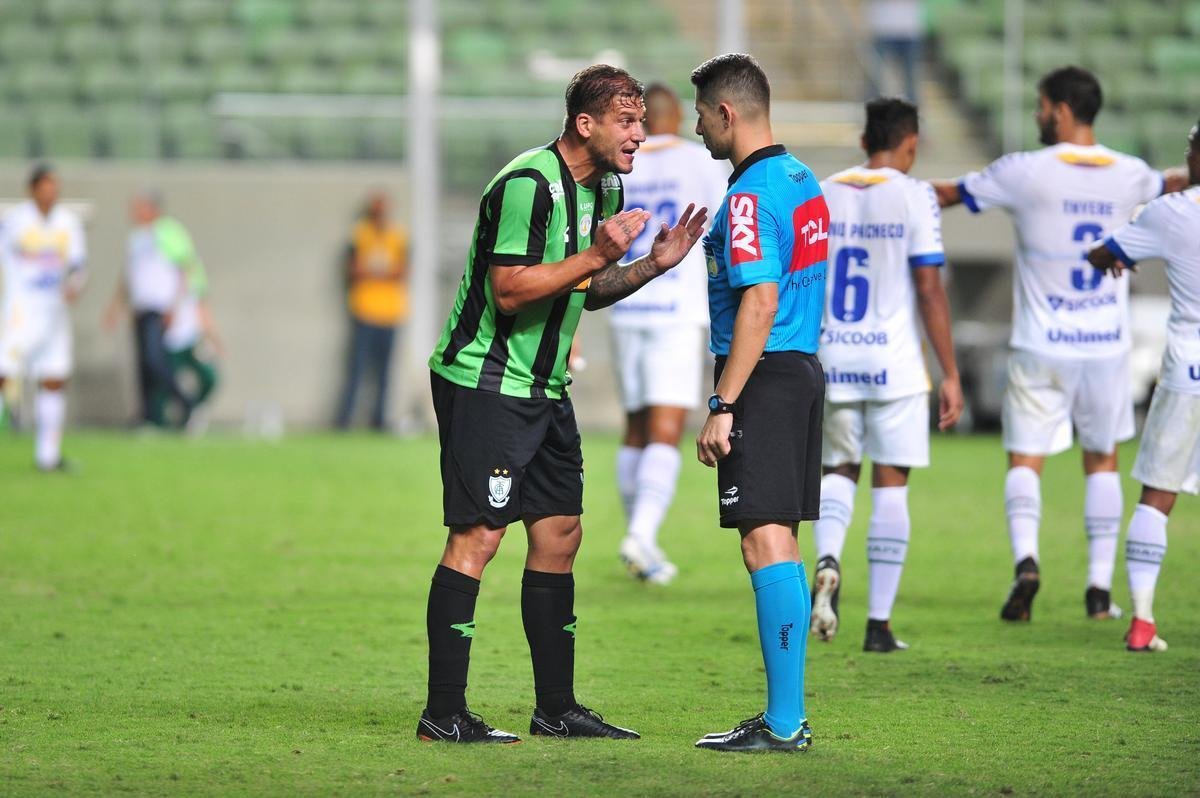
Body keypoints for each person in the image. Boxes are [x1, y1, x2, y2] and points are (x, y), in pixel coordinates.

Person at [420, 64, 708, 744]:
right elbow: (512, 291)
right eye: (628, 122)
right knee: (479, 538)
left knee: (559, 536)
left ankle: (557, 710)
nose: (642, 134)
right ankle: (443, 712)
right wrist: (595, 255)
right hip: (487, 382)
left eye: (642, 120)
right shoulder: (528, 185)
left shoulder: (605, 187)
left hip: (547, 389)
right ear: (586, 124)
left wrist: (648, 266)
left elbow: (587, 287)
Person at [931, 66, 1189, 624]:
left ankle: (1027, 562)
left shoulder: (1024, 170)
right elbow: (1175, 180)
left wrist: (881, 194)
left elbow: (948, 194)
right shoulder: (1130, 172)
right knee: (1102, 461)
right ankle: (1099, 589)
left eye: (1041, 106)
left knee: (1026, 458)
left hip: (1040, 343)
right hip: (1104, 346)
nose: (1036, 114)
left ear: (1063, 110)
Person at [691, 53, 829, 753]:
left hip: (765, 376)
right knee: (781, 543)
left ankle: (783, 724)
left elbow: (761, 298)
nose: (696, 129)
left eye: (701, 115)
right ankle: (785, 715)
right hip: (802, 368)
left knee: (763, 541)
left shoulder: (747, 195)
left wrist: (723, 402)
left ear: (728, 114)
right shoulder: (803, 179)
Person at [811, 97, 963, 652]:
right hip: (894, 363)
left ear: (863, 140)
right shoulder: (915, 194)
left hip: (833, 358)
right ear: (912, 144)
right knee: (891, 483)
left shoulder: (823, 191)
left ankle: (828, 559)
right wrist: (950, 372)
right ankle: (879, 624)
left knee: (838, 471)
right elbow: (928, 288)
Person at [1085, 118, 1200, 653]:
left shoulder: (1171, 212)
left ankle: (1143, 621)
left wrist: (1114, 258)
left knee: (1157, 496)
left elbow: (1101, 253)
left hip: (1188, 369)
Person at [609, 82, 730, 585]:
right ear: (677, 115)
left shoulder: (620, 166)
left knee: (636, 428)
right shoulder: (698, 161)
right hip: (676, 309)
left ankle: (644, 538)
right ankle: (640, 534)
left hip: (624, 305)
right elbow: (722, 224)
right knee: (666, 427)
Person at [0, 163, 86, 471]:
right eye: (45, 187)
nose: (51, 193)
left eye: (55, 187)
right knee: (5, 372)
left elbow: (78, 266)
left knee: (54, 377)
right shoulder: (14, 222)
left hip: (54, 312)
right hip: (22, 309)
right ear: (32, 189)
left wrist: (75, 285)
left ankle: (47, 455)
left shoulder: (68, 224)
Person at [103, 190, 194, 428]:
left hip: (160, 307)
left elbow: (184, 267)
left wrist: (175, 305)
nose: (134, 212)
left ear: (153, 208)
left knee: (156, 360)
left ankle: (185, 401)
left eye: (140, 207)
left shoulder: (168, 232)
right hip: (140, 308)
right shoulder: (136, 238)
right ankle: (147, 416)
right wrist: (116, 307)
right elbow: (129, 277)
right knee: (142, 364)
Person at [335, 192, 408, 431]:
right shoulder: (359, 234)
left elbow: (401, 272)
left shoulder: (397, 235)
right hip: (364, 311)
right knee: (356, 370)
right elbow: (353, 271)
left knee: (385, 374)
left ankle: (379, 422)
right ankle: (344, 421)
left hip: (390, 313)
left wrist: (372, 270)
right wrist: (382, 271)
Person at [160, 237, 221, 432]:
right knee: (165, 383)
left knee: (209, 377)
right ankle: (159, 421)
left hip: (191, 339)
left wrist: (213, 337)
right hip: (171, 340)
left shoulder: (195, 283)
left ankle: (194, 412)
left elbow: (203, 311)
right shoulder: (166, 281)